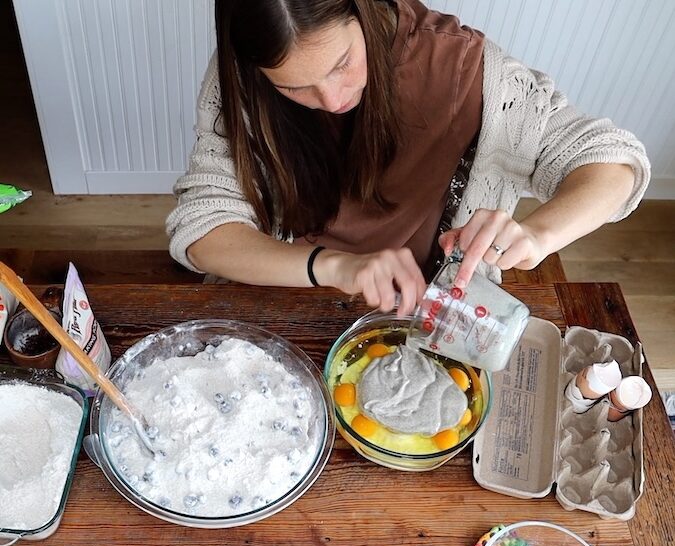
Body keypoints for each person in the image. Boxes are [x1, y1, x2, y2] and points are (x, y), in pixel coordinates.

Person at [166, 0, 649, 317]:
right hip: (286, 288)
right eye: (293, 86)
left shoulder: (459, 66)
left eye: (342, 65)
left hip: (426, 306)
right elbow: (203, 232)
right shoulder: (242, 77)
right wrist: (336, 267)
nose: (332, 99)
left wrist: (535, 234)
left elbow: (613, 165)